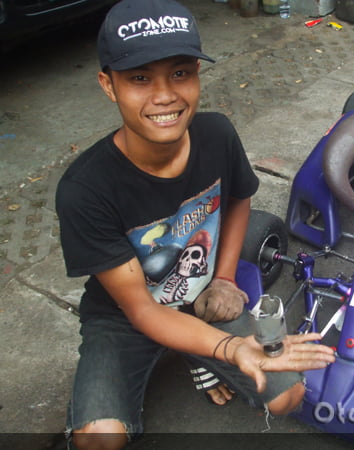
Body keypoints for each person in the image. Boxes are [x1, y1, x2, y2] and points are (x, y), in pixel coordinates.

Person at [55, 0, 335, 448]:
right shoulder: (85, 190)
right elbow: (143, 310)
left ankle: (194, 350)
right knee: (99, 440)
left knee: (288, 397)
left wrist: (224, 279)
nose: (165, 95)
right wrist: (228, 348)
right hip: (126, 314)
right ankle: (196, 352)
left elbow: (239, 198)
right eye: (140, 78)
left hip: (200, 294)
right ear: (109, 85)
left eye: (180, 73)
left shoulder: (217, 134)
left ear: (197, 75)